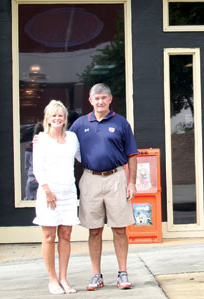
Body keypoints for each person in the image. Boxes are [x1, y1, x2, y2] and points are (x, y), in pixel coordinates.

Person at [69, 83, 137, 291]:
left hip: (116, 178)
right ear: (90, 101)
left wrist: (132, 182)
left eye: (103, 98)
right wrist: (41, 139)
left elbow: (132, 155)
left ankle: (123, 273)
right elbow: (63, 143)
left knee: (119, 228)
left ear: (110, 99)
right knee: (94, 230)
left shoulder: (121, 123)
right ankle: (96, 275)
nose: (100, 102)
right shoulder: (80, 125)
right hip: (90, 179)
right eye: (96, 98)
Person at [33, 100, 80, 295]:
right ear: (48, 119)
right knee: (49, 236)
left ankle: (63, 278)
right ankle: (52, 279)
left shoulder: (72, 138)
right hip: (49, 194)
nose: (57, 118)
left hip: (68, 193)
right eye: (53, 115)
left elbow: (82, 157)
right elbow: (37, 168)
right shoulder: (42, 140)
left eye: (60, 115)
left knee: (66, 235)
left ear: (65, 118)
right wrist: (48, 191)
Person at [24, 121, 43, 201]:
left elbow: (27, 166)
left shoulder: (30, 148)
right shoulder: (48, 146)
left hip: (32, 178)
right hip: (45, 180)